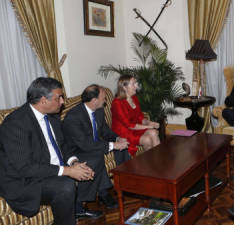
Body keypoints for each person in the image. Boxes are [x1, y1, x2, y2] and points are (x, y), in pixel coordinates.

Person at [0, 77, 94, 225]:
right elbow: (25, 168)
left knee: (89, 164)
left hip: (47, 168)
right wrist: (67, 171)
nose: (63, 101)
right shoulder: (15, 124)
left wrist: (74, 162)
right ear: (43, 100)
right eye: (59, 98)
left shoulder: (52, 116)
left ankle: (77, 210)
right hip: (24, 180)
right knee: (65, 186)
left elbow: (62, 145)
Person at [63, 84, 130, 218]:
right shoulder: (73, 117)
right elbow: (85, 145)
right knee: (96, 156)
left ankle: (125, 185)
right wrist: (112, 145)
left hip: (89, 145)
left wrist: (117, 138)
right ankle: (82, 204)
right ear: (94, 101)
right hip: (75, 150)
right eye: (104, 98)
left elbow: (104, 130)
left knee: (122, 148)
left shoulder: (98, 110)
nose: (106, 101)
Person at [111, 75, 160, 156]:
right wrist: (148, 127)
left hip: (135, 128)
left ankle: (158, 160)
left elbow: (140, 117)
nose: (137, 86)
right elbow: (129, 125)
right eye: (134, 84)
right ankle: (153, 163)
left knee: (154, 132)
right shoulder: (117, 103)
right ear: (124, 87)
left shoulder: (134, 98)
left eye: (136, 83)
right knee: (147, 139)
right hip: (123, 132)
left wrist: (149, 122)